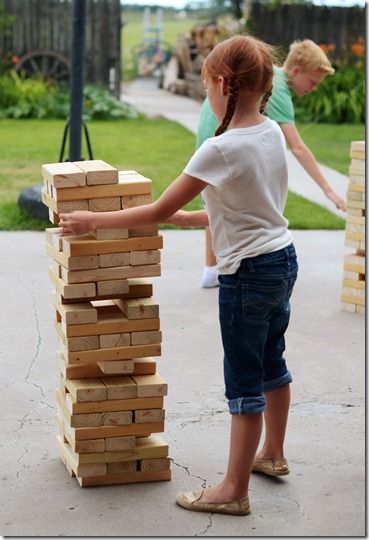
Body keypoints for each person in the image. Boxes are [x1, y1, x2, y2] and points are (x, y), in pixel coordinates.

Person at [60, 34, 298, 516]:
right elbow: (255, 207)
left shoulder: (220, 147)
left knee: (243, 380)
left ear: (222, 84)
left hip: (246, 275)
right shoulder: (270, 131)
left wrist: (91, 221)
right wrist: (193, 219)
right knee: (273, 362)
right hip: (282, 260)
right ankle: (272, 454)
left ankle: (233, 490)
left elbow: (158, 209)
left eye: (209, 84)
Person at [198, 38, 347, 288]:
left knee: (218, 206)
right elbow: (298, 147)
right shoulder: (275, 86)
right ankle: (218, 271)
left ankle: (211, 269)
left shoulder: (265, 73)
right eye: (312, 82)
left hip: (209, 139)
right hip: (220, 144)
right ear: (296, 71)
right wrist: (328, 190)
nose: (313, 89)